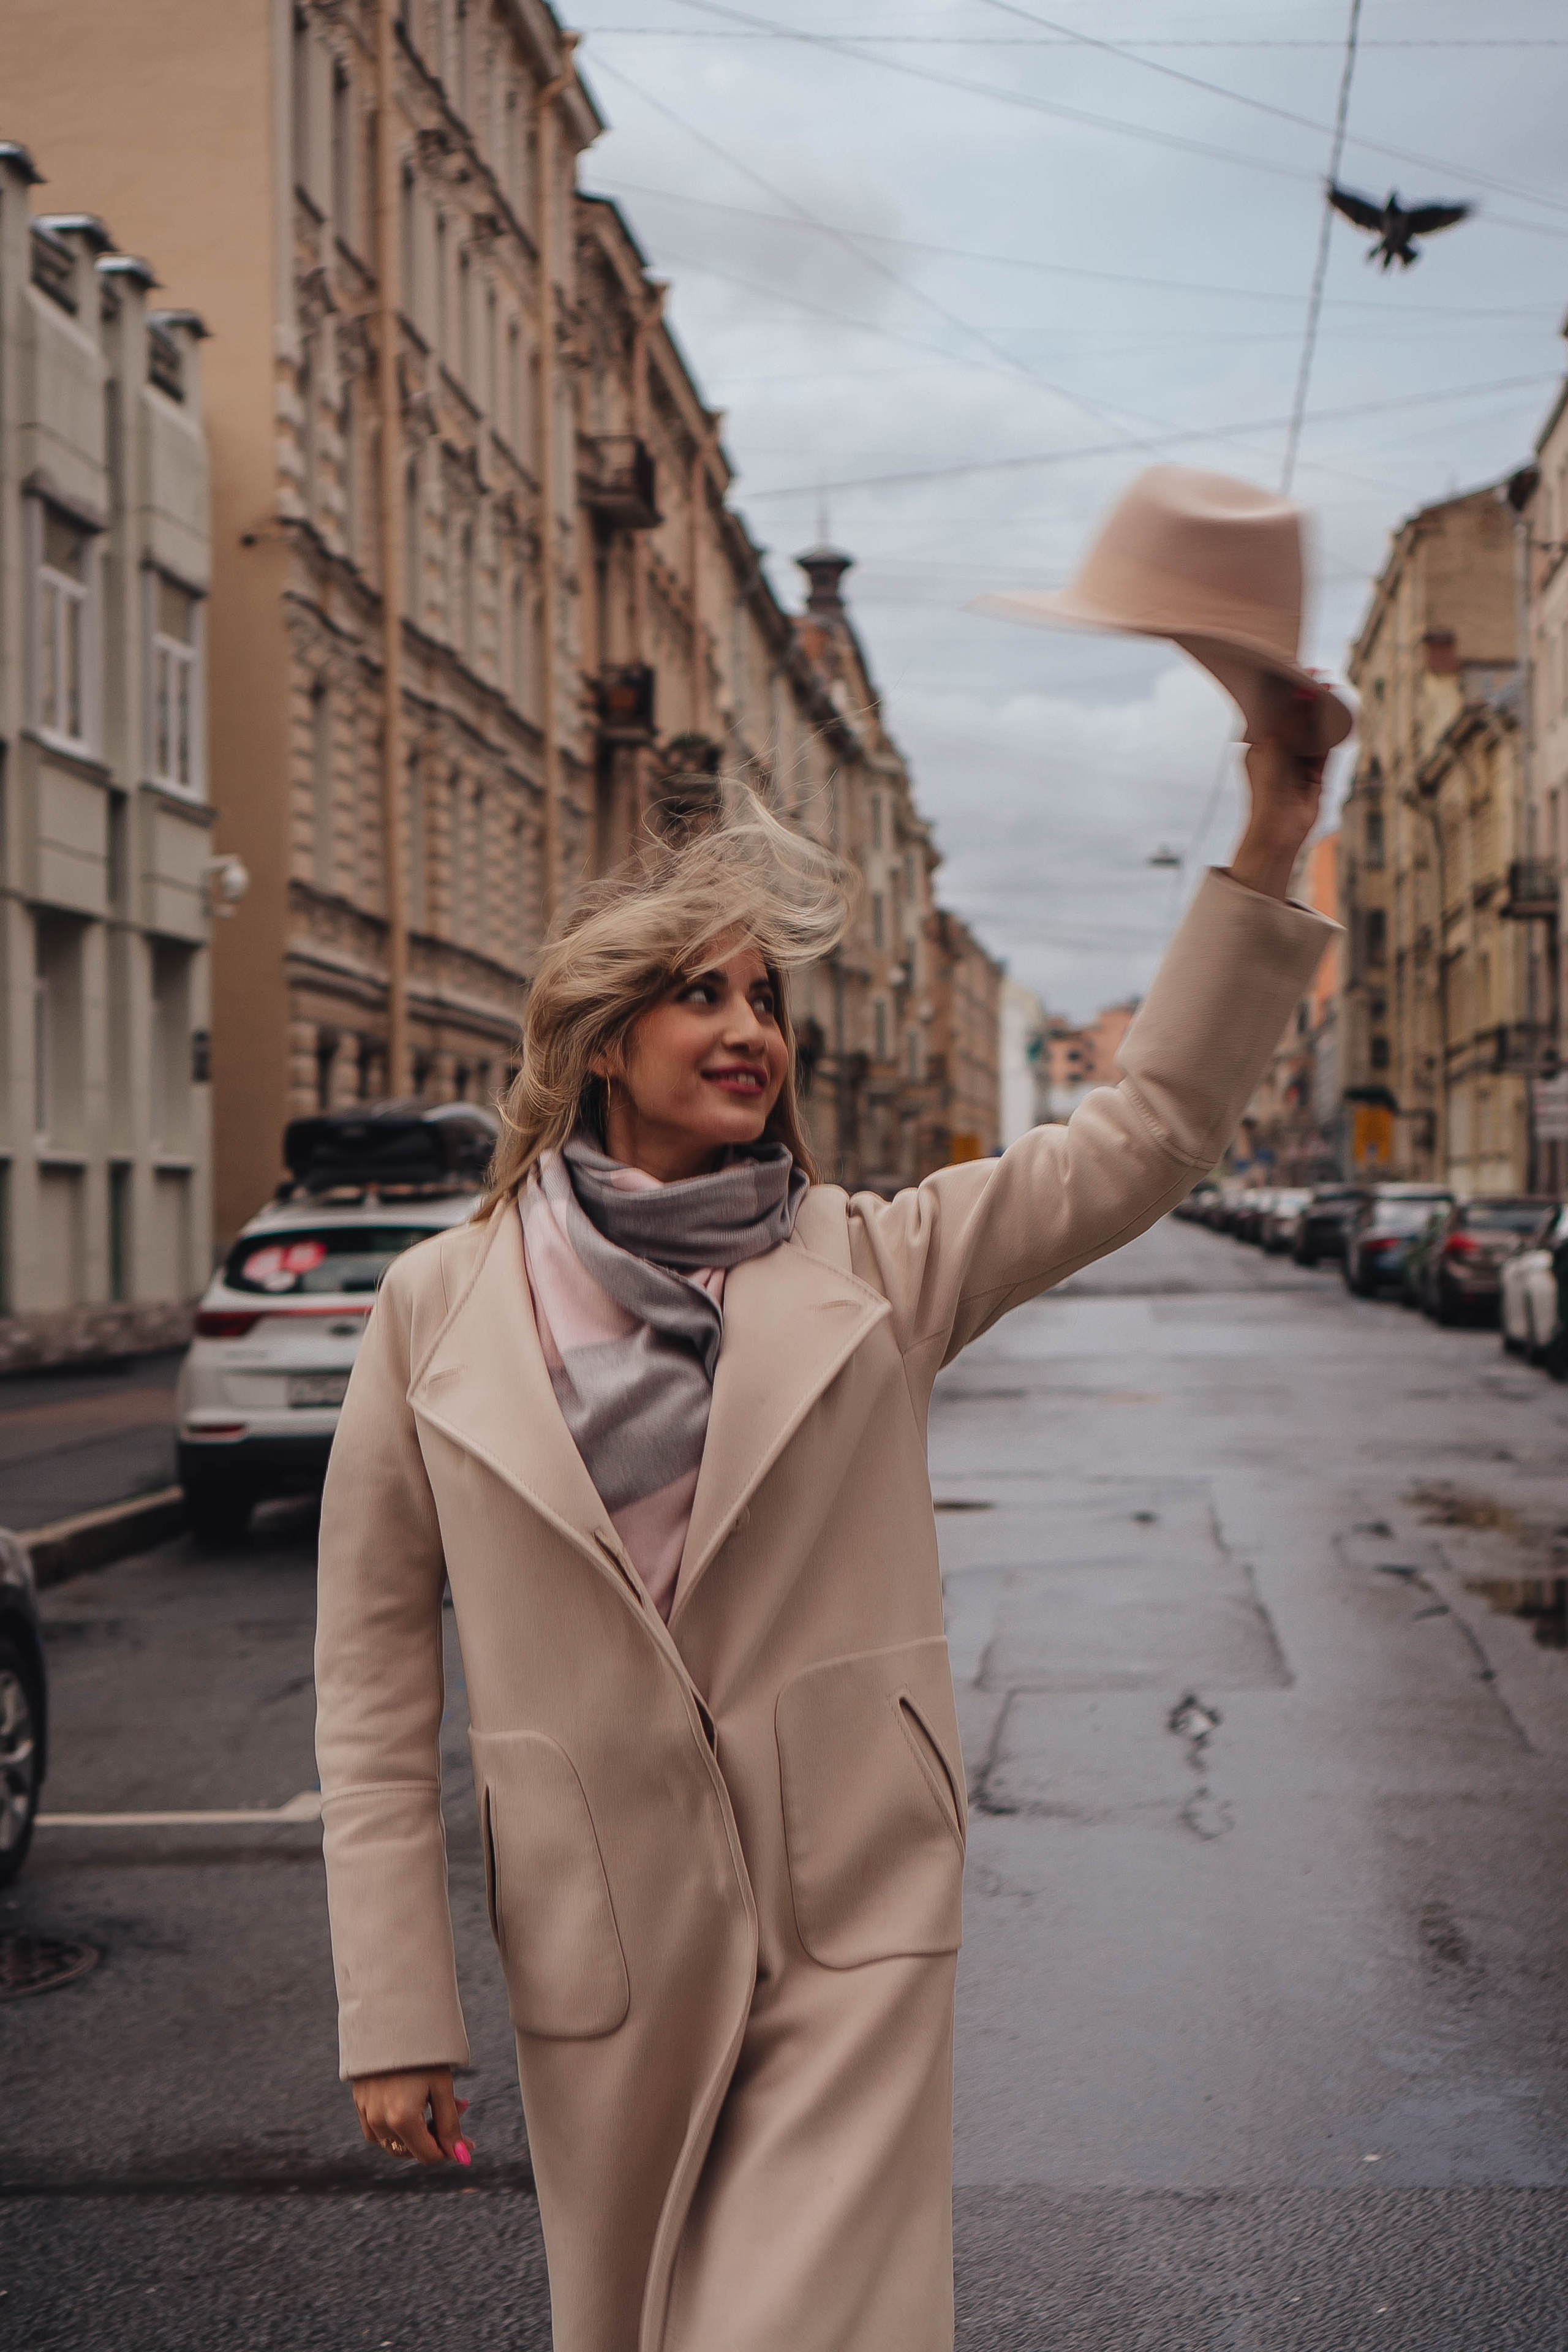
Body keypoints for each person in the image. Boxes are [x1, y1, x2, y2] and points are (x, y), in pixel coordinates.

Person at [315, 473, 1343, 2352]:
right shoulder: (435, 1310)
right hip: (600, 1928)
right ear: (601, 1038)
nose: (748, 1029)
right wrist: (394, 2007)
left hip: (849, 1907)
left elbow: (1145, 1136)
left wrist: (1277, 814)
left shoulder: (870, 1265)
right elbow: (374, 1688)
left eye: (765, 999)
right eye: (698, 994)